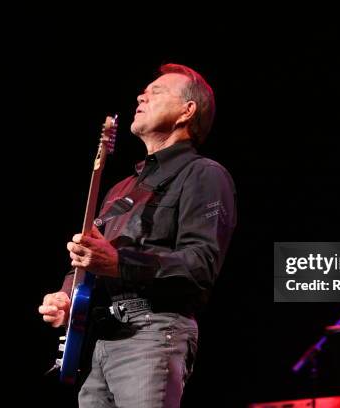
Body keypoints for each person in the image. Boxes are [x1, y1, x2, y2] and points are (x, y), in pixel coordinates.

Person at [38, 63, 237, 408]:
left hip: (153, 332)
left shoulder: (203, 175)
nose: (141, 96)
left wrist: (118, 263)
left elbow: (200, 265)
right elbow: (89, 261)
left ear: (186, 112)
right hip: (101, 338)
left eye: (156, 91)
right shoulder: (120, 189)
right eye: (144, 91)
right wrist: (67, 296)